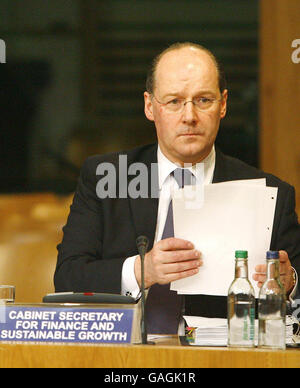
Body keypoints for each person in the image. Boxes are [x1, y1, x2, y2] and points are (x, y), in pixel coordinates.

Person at [54, 42, 300, 333]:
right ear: (149, 106)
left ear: (223, 104)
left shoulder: (268, 192)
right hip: (125, 355)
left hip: (223, 357)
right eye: (174, 101)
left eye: (203, 100)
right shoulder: (106, 177)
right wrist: (142, 270)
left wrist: (290, 282)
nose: (189, 116)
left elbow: (295, 280)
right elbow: (68, 277)